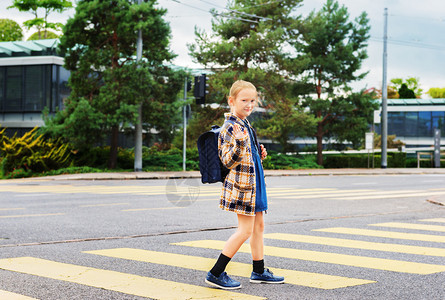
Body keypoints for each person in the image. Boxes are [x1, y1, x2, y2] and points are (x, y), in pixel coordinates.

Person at [205, 80, 285, 290]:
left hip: (255, 184)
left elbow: (247, 158)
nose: (249, 104)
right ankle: (216, 273)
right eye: (244, 100)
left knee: (259, 227)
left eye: (252, 100)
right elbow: (228, 161)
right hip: (243, 188)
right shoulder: (229, 128)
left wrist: (259, 153)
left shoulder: (244, 123)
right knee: (245, 230)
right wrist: (241, 144)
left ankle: (259, 271)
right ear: (231, 101)